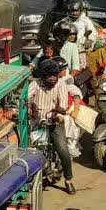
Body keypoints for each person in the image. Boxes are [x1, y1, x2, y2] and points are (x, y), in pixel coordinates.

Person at [28, 58, 76, 194]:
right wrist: (30, 107)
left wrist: (59, 116)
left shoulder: (61, 84)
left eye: (55, 75)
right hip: (38, 122)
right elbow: (27, 97)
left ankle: (68, 180)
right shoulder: (35, 84)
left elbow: (63, 105)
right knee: (29, 148)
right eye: (50, 76)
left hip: (55, 122)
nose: (53, 79)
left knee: (63, 150)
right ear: (43, 76)